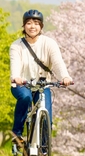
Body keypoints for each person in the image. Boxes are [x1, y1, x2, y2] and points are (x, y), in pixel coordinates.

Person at [9, 9, 73, 147]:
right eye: (29, 23)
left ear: (41, 26)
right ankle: (17, 133)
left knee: (47, 119)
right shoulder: (16, 46)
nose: (33, 26)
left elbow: (57, 62)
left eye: (37, 23)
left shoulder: (49, 43)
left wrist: (65, 76)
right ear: (24, 26)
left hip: (43, 85)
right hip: (22, 85)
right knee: (25, 98)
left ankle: (43, 152)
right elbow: (15, 64)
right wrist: (16, 77)